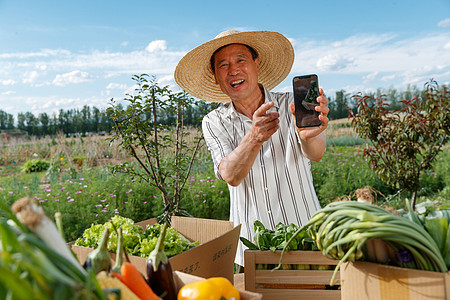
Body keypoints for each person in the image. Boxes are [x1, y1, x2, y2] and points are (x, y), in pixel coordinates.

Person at [174, 30, 329, 268]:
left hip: (306, 237)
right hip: (251, 250)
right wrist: (254, 138)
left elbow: (316, 153)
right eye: (223, 65)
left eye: (240, 60)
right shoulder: (214, 122)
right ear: (215, 76)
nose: (233, 70)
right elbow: (231, 175)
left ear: (256, 64)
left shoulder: (291, 104)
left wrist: (308, 137)